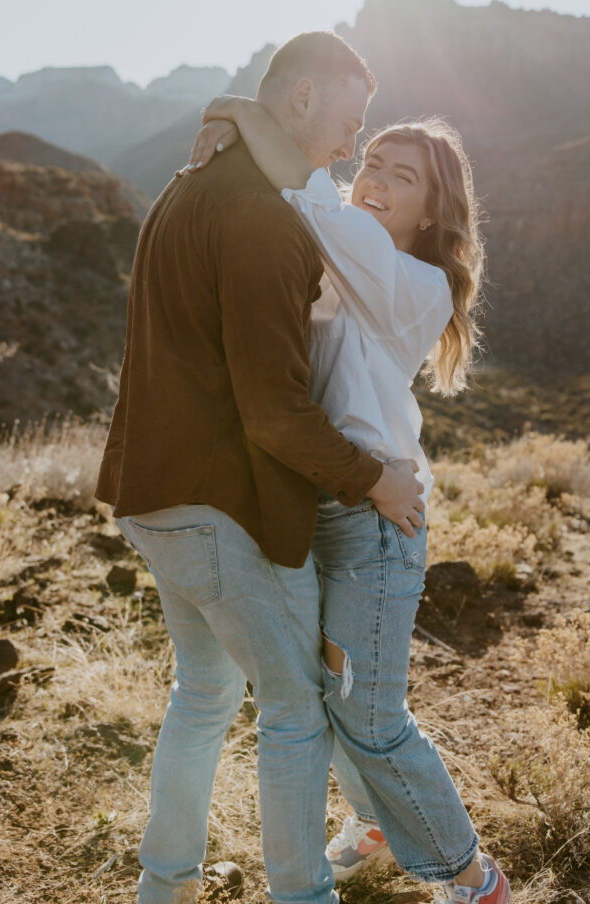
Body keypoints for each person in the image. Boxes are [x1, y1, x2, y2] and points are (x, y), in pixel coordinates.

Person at [94, 31, 427, 904]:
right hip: (219, 507)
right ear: (304, 100)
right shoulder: (260, 223)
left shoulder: (187, 185)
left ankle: (163, 888)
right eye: (349, 122)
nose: (351, 147)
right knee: (293, 709)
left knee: (203, 695)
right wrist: (375, 479)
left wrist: (228, 115)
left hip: (151, 493)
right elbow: (276, 412)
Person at [188, 100, 511, 904]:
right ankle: (373, 821)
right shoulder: (343, 263)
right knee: (329, 697)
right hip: (323, 502)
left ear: (433, 210)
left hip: (375, 517)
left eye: (402, 177)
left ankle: (474, 879)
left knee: (370, 718)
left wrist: (236, 112)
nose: (374, 180)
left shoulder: (414, 280)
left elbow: (304, 194)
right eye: (371, 162)